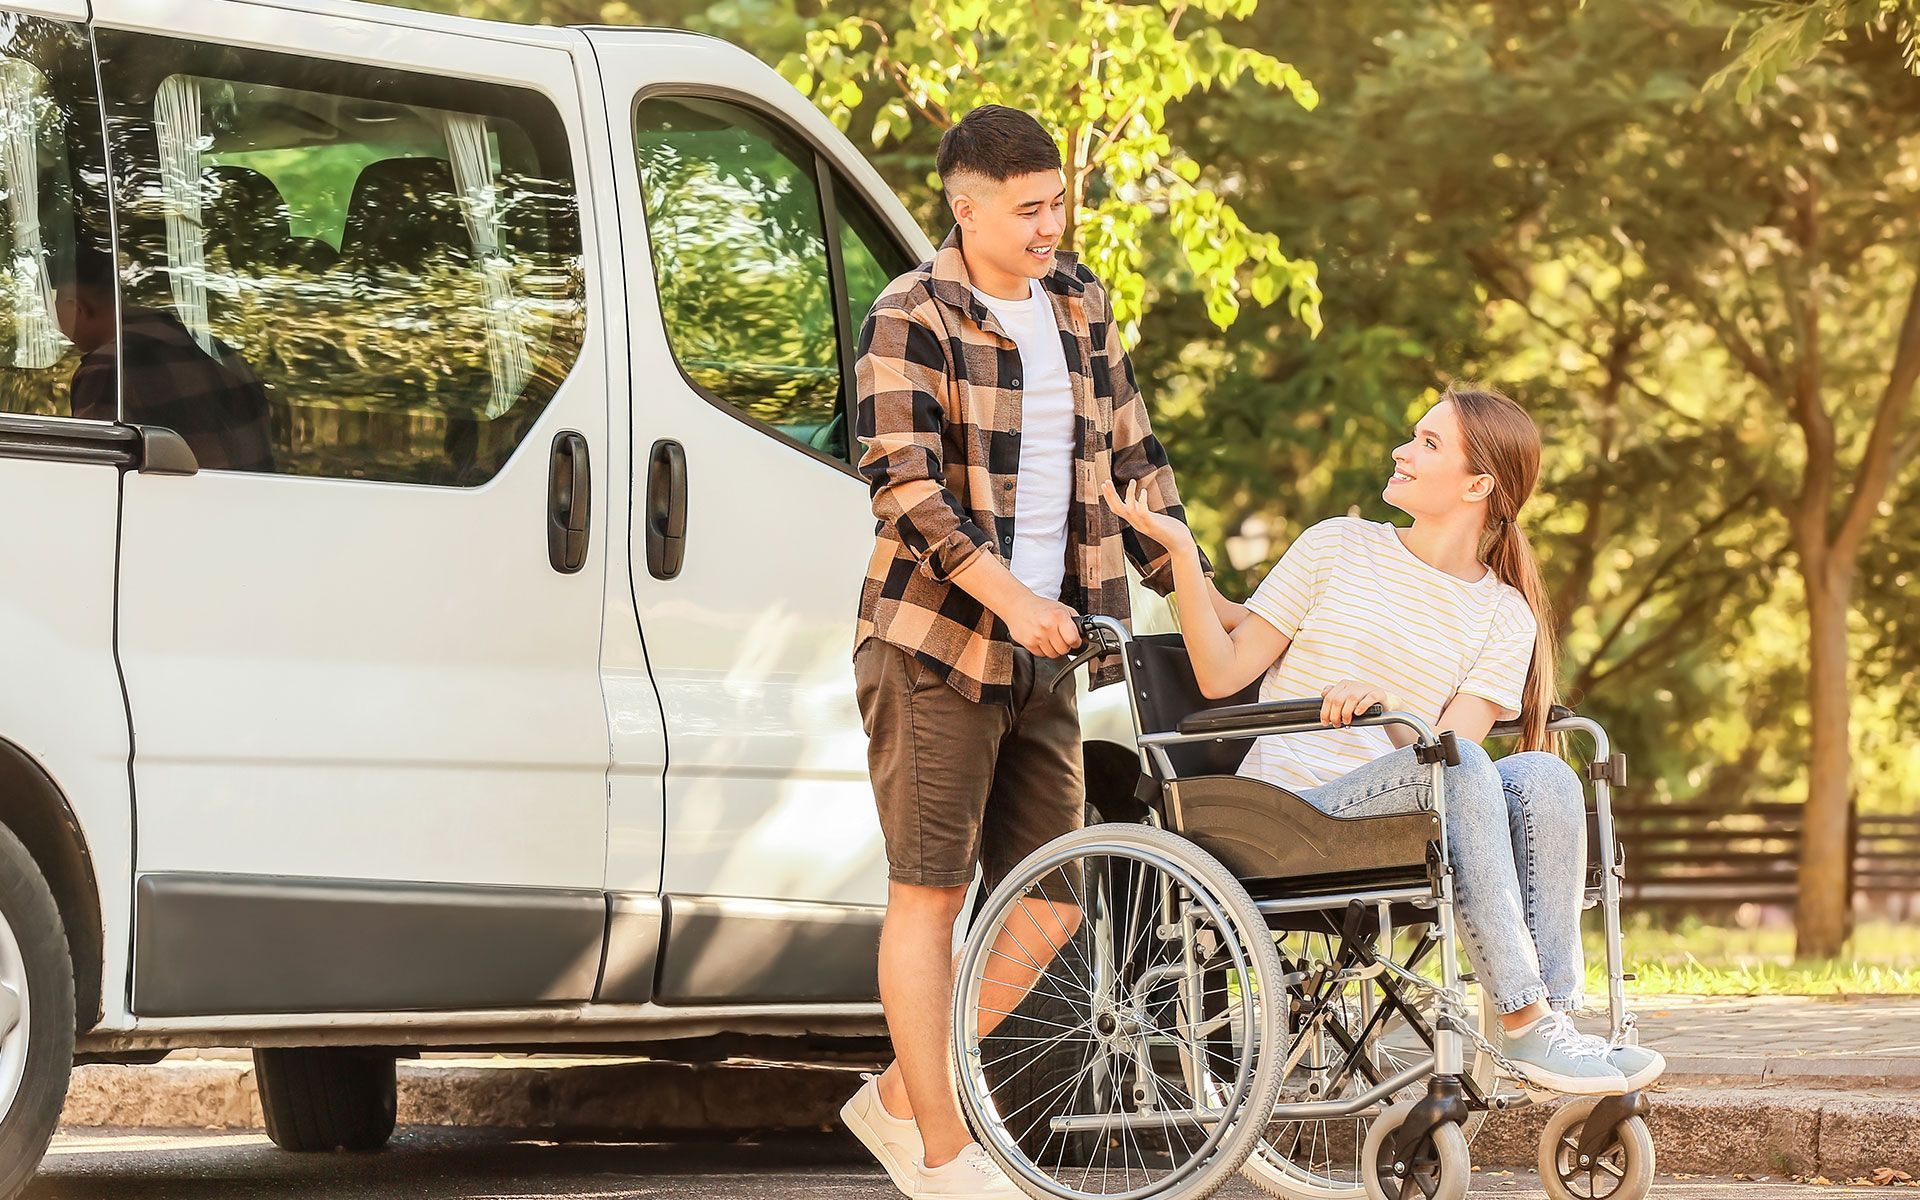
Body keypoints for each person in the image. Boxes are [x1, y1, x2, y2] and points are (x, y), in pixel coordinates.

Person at [841, 104, 1241, 1199]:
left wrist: (1200, 596)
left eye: (1058, 201)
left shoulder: (1078, 306)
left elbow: (1135, 460)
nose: (1051, 224)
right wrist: (1012, 599)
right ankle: (938, 1150)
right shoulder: (908, 314)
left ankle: (901, 1093)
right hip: (934, 645)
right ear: (963, 208)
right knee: (929, 894)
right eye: (1027, 209)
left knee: (1053, 894)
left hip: (1049, 650)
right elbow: (904, 487)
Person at [1102, 383, 1667, 1097]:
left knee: (1545, 776)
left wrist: (1391, 713)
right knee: (1467, 773)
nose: (1402, 450)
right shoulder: (1336, 544)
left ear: (1478, 484)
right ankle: (1527, 1022)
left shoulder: (1504, 614)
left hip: (1401, 807)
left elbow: (1452, 753)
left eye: (1429, 444)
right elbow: (1220, 674)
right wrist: (1180, 550)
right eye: (1414, 433)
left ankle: (1548, 1020)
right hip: (1292, 810)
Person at [55, 241, 274, 472]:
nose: (57, 326)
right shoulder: (217, 352)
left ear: (76, 308)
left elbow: (94, 475)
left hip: (185, 505)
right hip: (257, 502)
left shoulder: (110, 368)